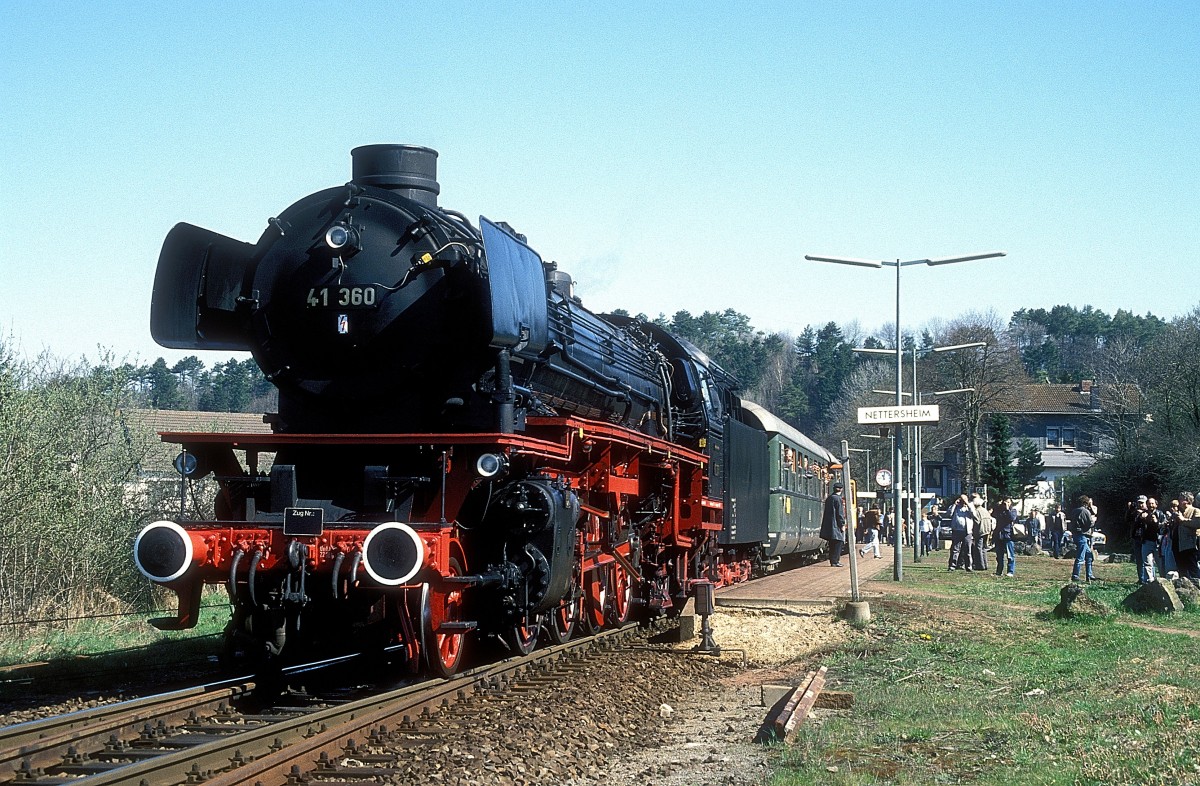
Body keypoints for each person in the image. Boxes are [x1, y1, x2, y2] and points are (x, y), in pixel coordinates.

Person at [1070, 495, 1099, 583]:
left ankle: (1089, 575)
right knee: (1081, 556)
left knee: (1089, 555)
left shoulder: (1075, 511)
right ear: (1086, 503)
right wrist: (1093, 520)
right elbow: (1089, 523)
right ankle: (1075, 575)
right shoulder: (1084, 511)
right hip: (1082, 535)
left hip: (1076, 534)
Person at [946, 494, 978, 571]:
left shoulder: (970, 506)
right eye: (961, 499)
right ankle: (952, 565)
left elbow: (974, 514)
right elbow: (949, 514)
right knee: (955, 549)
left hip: (967, 532)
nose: (962, 501)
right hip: (957, 531)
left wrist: (967, 504)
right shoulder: (955, 507)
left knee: (967, 549)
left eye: (964, 499)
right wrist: (954, 504)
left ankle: (968, 566)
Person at [820, 482, 847, 567]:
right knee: (839, 542)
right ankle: (835, 561)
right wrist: (842, 524)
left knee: (832, 544)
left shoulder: (829, 498)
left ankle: (832, 560)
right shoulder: (838, 499)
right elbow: (840, 513)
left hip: (829, 525)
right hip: (836, 525)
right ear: (841, 489)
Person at [1176, 492, 1200, 580]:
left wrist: (1183, 520)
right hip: (1181, 546)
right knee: (1183, 570)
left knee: (1193, 569)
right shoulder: (1180, 512)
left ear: (1187, 500)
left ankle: (1197, 589)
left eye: (1180, 499)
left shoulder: (1195, 510)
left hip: (1192, 545)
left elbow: (1197, 523)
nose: (1178, 501)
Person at [994, 498, 1016, 577]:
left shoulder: (1013, 511)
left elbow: (1011, 518)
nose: (1006, 503)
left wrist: (1007, 509)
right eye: (1005, 502)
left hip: (1008, 535)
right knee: (999, 555)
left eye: (1008, 502)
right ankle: (999, 571)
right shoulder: (1000, 511)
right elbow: (994, 514)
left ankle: (1010, 571)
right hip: (999, 535)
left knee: (1010, 555)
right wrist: (998, 505)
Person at [970, 494, 991, 571]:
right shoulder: (985, 510)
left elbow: (977, 522)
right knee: (984, 548)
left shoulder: (977, 511)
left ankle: (980, 565)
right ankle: (985, 564)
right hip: (987, 531)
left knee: (978, 548)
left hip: (980, 531)